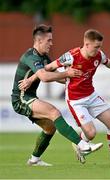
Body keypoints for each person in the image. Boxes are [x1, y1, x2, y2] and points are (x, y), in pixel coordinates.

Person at [43, 29, 110, 167]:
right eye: (96, 47)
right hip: (76, 100)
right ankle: (79, 144)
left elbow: (109, 62)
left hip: (91, 95)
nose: (98, 50)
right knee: (91, 133)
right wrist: (64, 75)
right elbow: (48, 68)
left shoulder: (98, 55)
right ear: (86, 44)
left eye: (100, 46)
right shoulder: (71, 56)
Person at [11, 25, 103, 167]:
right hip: (21, 99)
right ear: (39, 40)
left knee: (50, 128)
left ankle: (34, 160)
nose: (51, 44)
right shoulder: (31, 56)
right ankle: (82, 145)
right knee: (54, 112)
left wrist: (73, 79)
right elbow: (45, 76)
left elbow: (56, 76)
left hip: (30, 97)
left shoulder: (44, 58)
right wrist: (67, 74)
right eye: (49, 40)